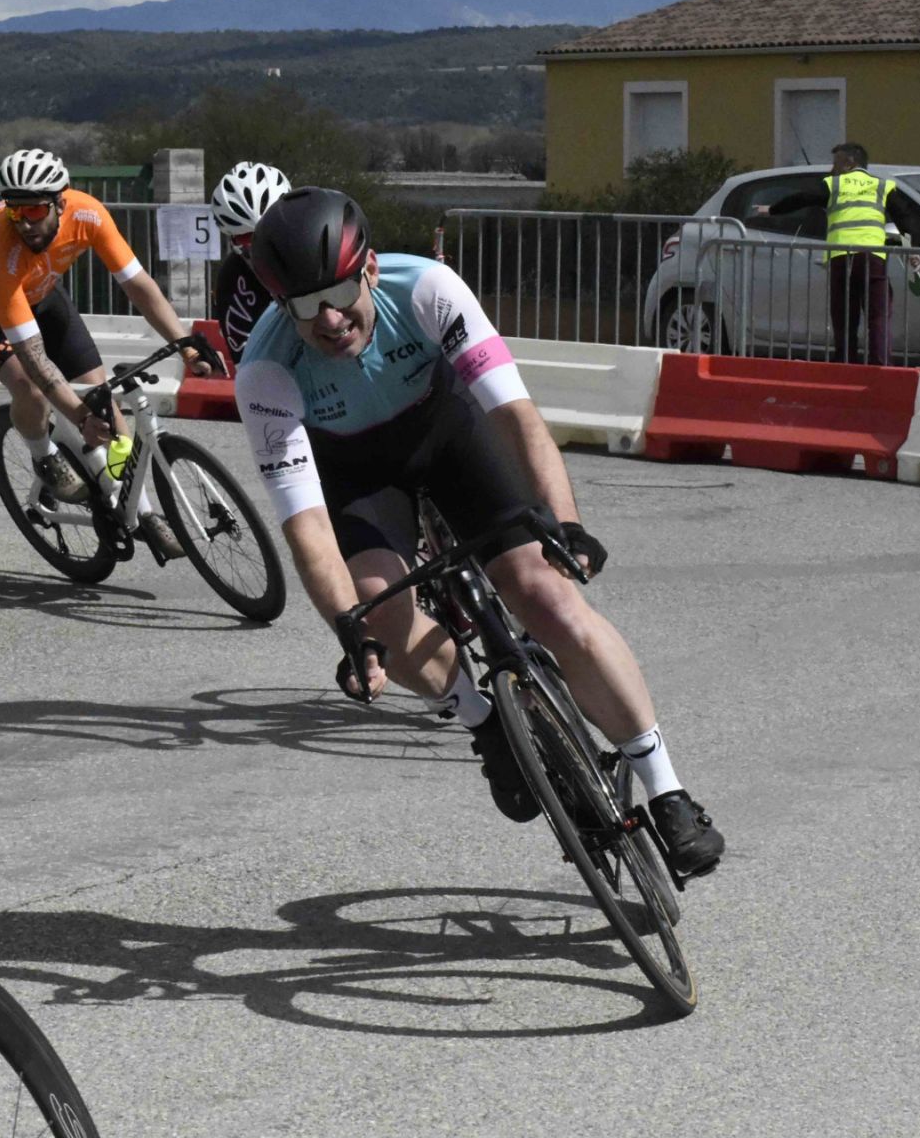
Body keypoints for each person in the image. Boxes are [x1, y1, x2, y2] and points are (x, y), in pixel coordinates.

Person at [232, 189, 724, 879]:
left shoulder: (427, 288)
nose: (330, 319)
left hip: (449, 433)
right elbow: (306, 524)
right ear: (281, 305)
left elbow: (516, 417)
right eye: (306, 306)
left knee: (546, 596)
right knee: (378, 609)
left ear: (369, 268)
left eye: (340, 293)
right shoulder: (265, 369)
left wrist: (566, 523)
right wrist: (351, 628)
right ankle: (480, 718)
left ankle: (667, 790)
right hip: (356, 472)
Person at [0, 148, 219, 558]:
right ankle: (44, 455)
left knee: (101, 393)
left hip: (42, 292)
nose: (24, 223)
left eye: (34, 210)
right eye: (14, 211)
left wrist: (186, 345)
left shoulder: (88, 214)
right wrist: (79, 418)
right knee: (29, 388)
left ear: (60, 202)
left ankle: (142, 511)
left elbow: (138, 286)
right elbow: (35, 359)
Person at [763, 142, 894, 364]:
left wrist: (772, 210)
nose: (832, 169)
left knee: (844, 318)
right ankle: (882, 367)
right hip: (873, 259)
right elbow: (906, 217)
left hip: (841, 257)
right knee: (878, 316)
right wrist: (916, 247)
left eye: (836, 163)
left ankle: (845, 365)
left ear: (850, 162)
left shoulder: (834, 184)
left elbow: (803, 198)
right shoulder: (882, 186)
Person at [207, 161, 294, 365]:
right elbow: (249, 366)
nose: (266, 252)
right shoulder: (234, 278)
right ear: (234, 241)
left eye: (274, 235)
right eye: (250, 242)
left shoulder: (320, 246)